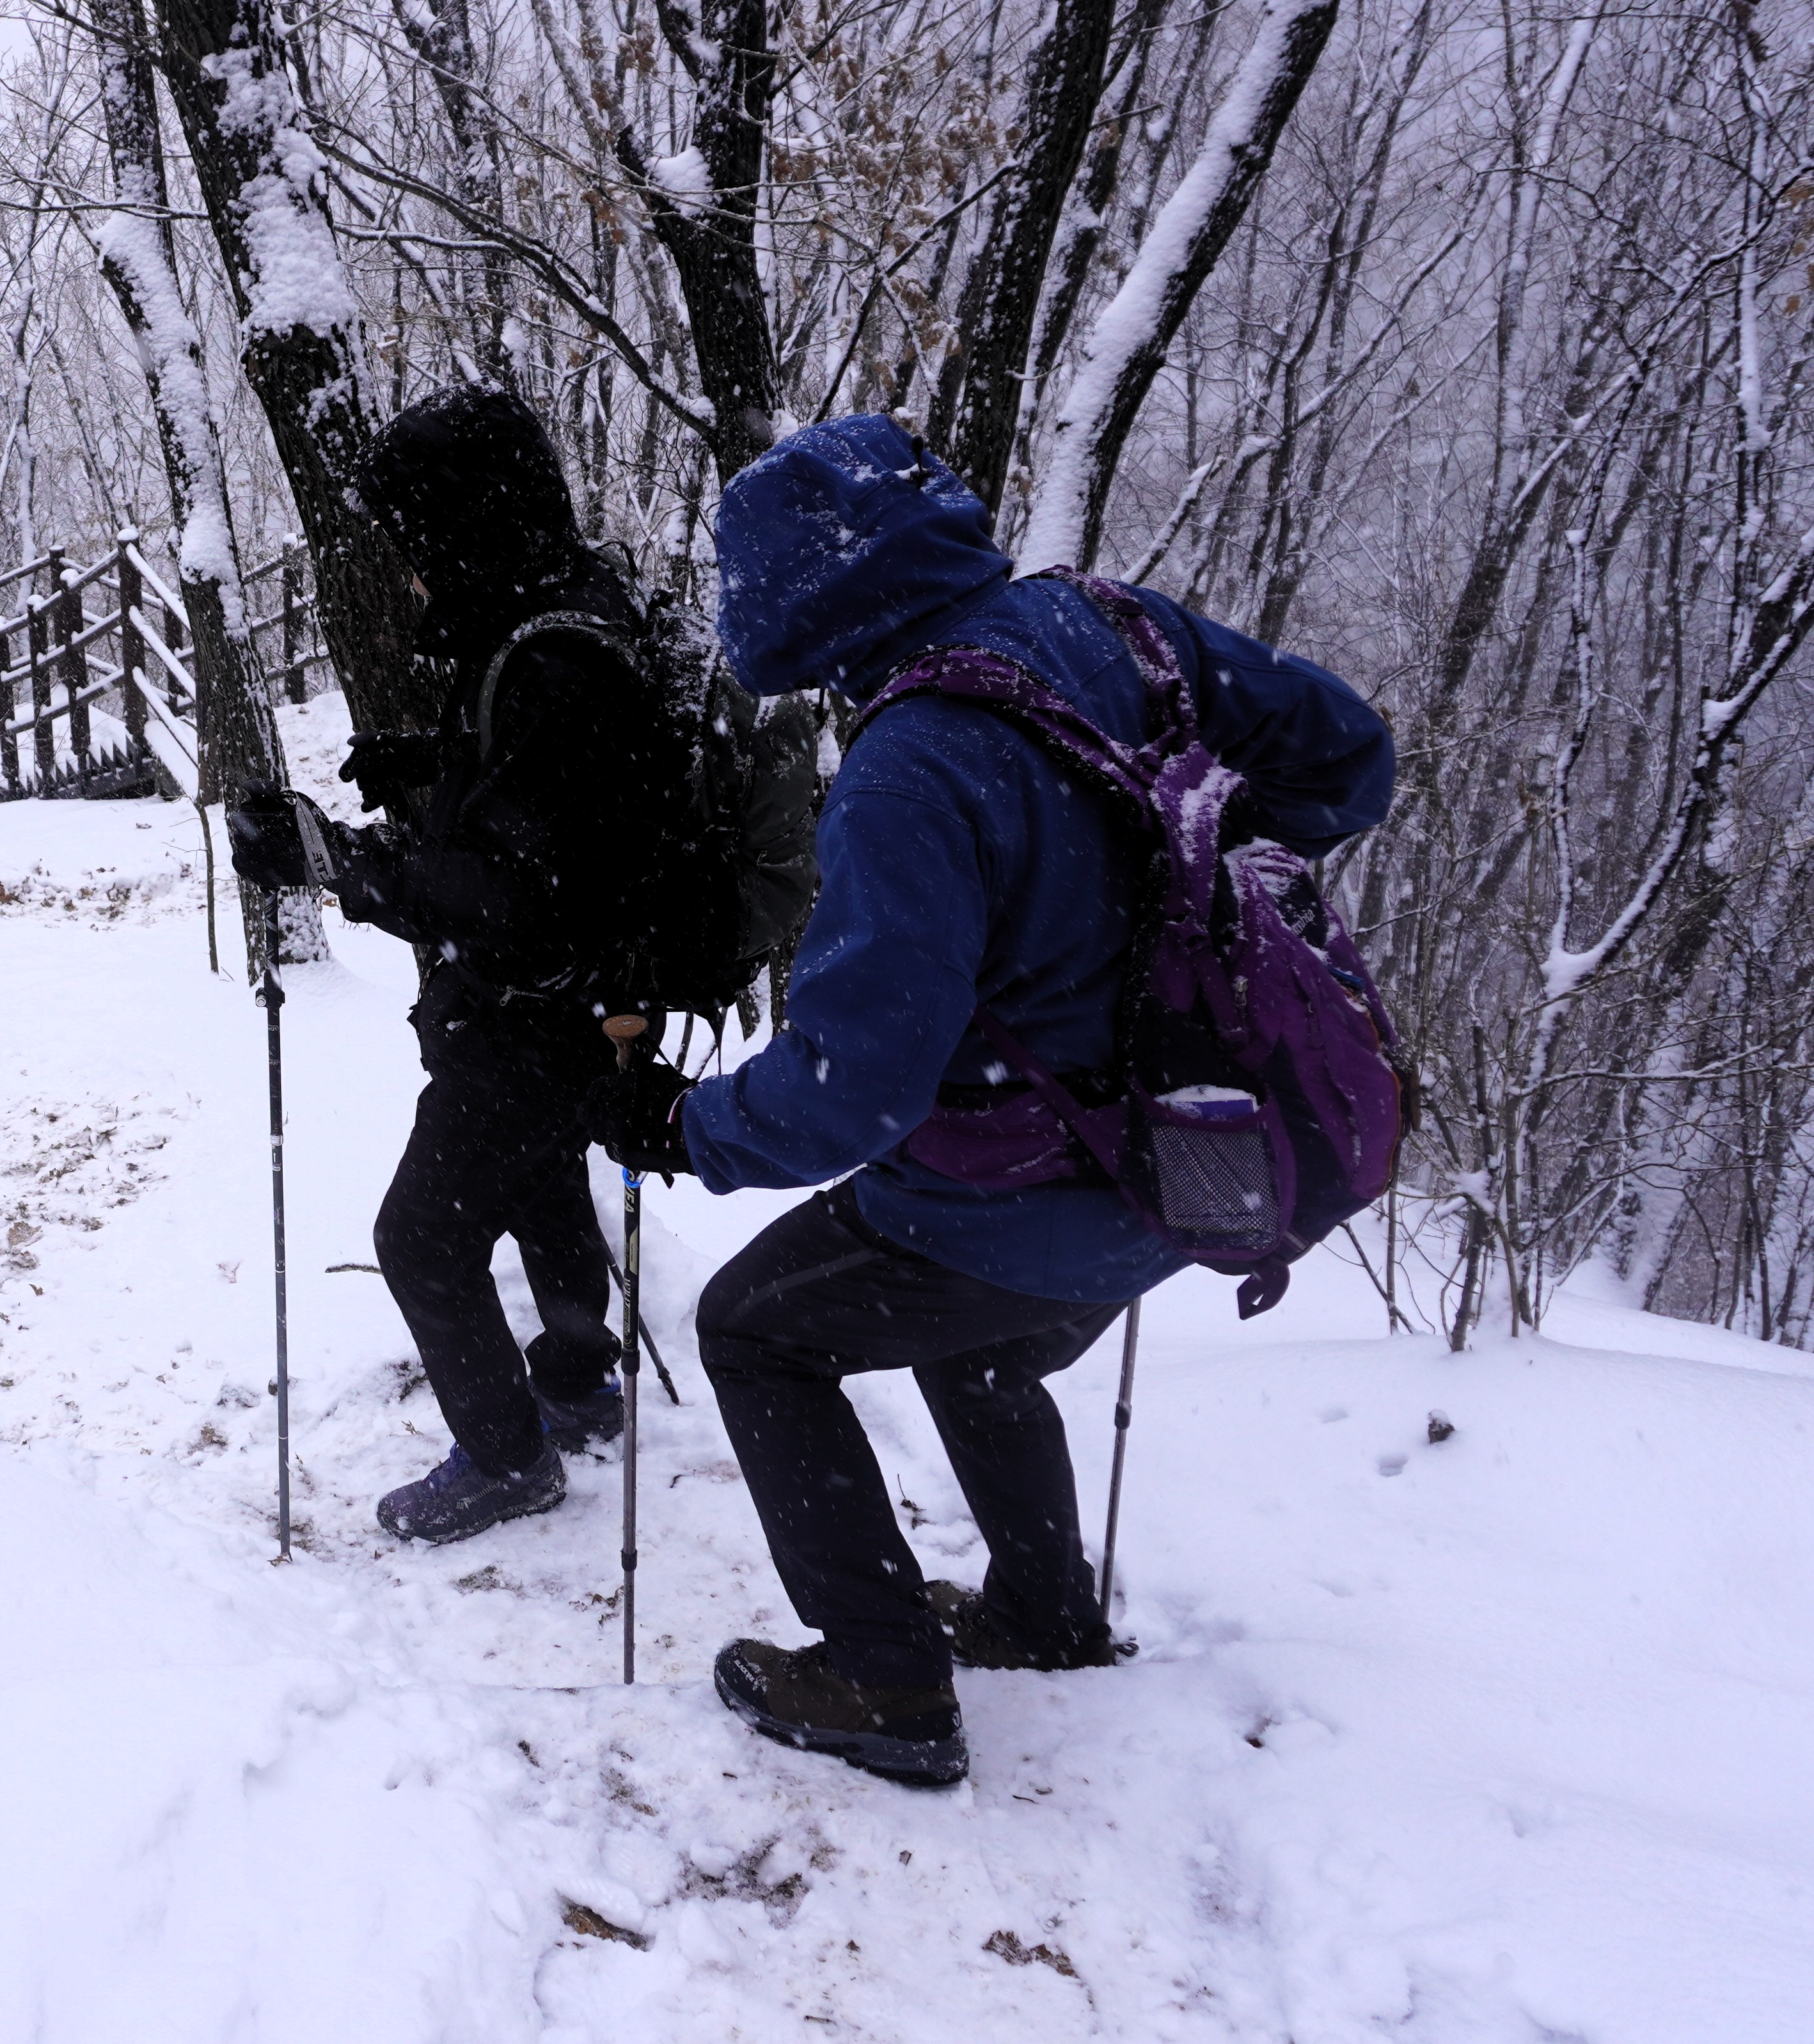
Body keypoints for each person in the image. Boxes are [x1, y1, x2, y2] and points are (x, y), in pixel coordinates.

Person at [582, 413, 1394, 1788]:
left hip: (1019, 1191)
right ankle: (1044, 1614)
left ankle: (883, 1680)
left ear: (795, 608)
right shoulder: (1114, 627)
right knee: (983, 1348)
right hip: (1190, 1157)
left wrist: (684, 1129)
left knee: (756, 1331)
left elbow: (849, 1091)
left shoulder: (910, 769)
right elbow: (1347, 755)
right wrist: (1194, 900)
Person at [227, 385, 689, 1545]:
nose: (410, 569)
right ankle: (575, 1384)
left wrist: (338, 862)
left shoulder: (554, 662)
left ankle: (506, 1458)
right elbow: (566, 810)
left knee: (422, 1239)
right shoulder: (570, 607)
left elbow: (523, 900)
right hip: (594, 1004)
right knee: (539, 1181)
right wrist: (437, 765)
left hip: (539, 1009)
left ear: (467, 525)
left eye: (417, 538)